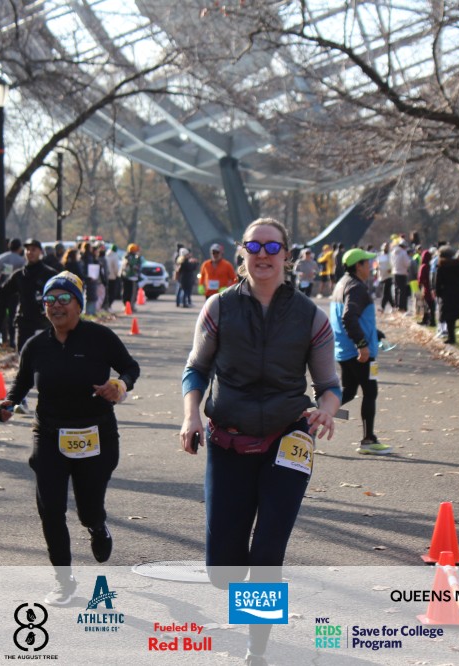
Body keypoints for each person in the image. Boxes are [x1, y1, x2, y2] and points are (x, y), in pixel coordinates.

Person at [180, 218, 341, 665]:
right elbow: (196, 369)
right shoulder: (218, 308)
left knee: (268, 550)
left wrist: (327, 409)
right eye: (254, 246)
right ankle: (241, 598)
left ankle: (257, 650)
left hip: (289, 439)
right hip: (228, 440)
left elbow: (329, 384)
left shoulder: (311, 316)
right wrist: (191, 415)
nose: (263, 254)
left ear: (287, 254)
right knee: (223, 571)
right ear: (242, 252)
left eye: (273, 247)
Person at [0, 271, 139, 605]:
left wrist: (119, 385)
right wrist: (9, 403)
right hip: (49, 435)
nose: (56, 306)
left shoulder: (99, 337)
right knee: (50, 509)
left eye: (64, 299)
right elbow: (21, 384)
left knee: (88, 509)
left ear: (79, 304)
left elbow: (130, 368)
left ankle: (97, 526)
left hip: (96, 434)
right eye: (50, 300)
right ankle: (64, 580)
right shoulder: (36, 345)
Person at [330, 248, 391, 455]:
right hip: (360, 352)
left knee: (348, 391)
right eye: (368, 263)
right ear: (358, 266)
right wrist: (362, 344)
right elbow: (348, 317)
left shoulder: (343, 283)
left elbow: (352, 317)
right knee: (370, 392)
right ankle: (368, 440)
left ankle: (316, 414)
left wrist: (375, 333)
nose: (371, 267)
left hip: (344, 349)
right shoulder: (357, 287)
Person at [0, 239, 58, 353]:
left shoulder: (50, 274)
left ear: (40, 252)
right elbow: (3, 290)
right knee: (23, 356)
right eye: (27, 249)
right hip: (24, 322)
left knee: (42, 357)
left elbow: (61, 295)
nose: (30, 252)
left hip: (43, 322)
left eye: (33, 250)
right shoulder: (19, 275)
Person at [433, 246, 459, 344]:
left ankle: (451, 337)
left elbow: (438, 282)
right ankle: (454, 334)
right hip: (458, 293)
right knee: (456, 313)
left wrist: (438, 293)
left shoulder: (442, 267)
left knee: (449, 317)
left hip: (447, 294)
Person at [120, 244, 143, 309]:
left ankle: (130, 305)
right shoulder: (128, 257)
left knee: (131, 292)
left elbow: (139, 266)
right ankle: (127, 305)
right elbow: (131, 265)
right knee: (128, 292)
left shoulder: (135, 257)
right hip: (128, 277)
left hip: (132, 277)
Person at [418, 248, 436, 326]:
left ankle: (429, 320)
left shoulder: (423, 266)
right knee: (431, 305)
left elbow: (420, 278)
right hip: (431, 287)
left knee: (427, 305)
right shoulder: (431, 265)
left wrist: (420, 286)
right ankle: (428, 320)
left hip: (425, 288)